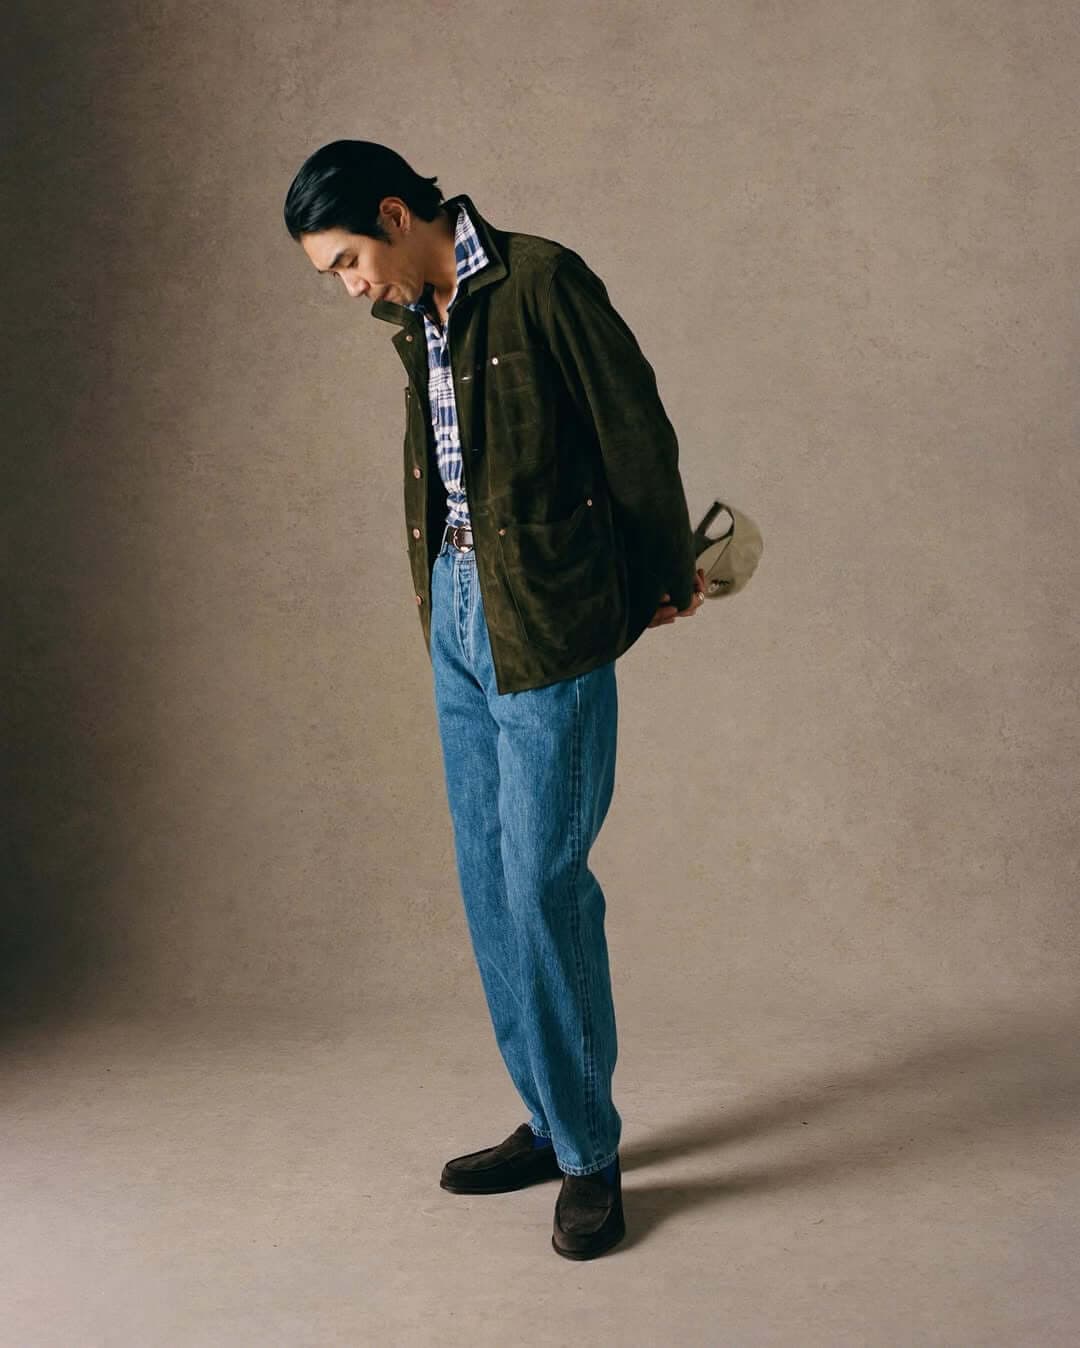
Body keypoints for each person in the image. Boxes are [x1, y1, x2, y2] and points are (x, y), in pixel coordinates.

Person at [283, 140, 704, 1260]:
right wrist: (442, 598)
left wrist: (661, 574)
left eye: (344, 262)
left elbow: (634, 435)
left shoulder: (542, 280)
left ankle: (591, 1155)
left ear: (393, 213)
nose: (347, 288)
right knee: (487, 877)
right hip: (457, 613)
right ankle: (550, 1117)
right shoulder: (416, 316)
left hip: (549, 611)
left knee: (542, 880)